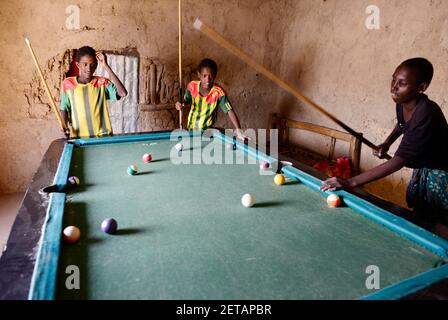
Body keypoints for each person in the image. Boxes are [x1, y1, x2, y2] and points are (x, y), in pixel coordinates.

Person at [320, 58, 448, 226]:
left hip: (442, 175)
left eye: (402, 83)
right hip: (425, 169)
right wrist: (387, 142)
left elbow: (397, 162)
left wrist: (350, 182)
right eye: (393, 79)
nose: (393, 87)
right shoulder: (402, 102)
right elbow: (402, 125)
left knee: (440, 226)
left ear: (421, 87)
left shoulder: (427, 113)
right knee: (422, 219)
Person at [60, 46, 127, 138]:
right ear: (77, 65)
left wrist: (106, 67)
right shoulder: (68, 84)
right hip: (80, 137)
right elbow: (64, 108)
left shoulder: (101, 83)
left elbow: (122, 93)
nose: (89, 68)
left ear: (96, 65)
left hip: (103, 136)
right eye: (85, 64)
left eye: (92, 64)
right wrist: (64, 125)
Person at [175, 58, 246, 140]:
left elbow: (229, 110)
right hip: (191, 130)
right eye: (204, 76)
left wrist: (238, 129)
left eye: (211, 76)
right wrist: (179, 104)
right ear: (199, 75)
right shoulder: (192, 86)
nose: (207, 80)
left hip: (208, 133)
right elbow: (186, 101)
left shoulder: (218, 92)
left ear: (215, 75)